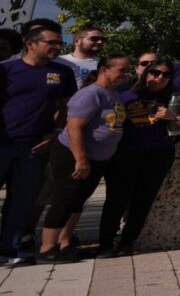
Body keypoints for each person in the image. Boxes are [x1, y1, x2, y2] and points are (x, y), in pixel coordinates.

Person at [98, 55, 180, 256]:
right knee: (116, 199)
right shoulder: (126, 95)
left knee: (143, 200)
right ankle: (105, 244)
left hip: (158, 154)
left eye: (166, 75)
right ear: (146, 73)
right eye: (155, 73)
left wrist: (174, 116)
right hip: (125, 153)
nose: (160, 78)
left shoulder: (173, 98)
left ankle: (127, 242)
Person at [37, 55, 130, 262]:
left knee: (78, 200)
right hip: (73, 154)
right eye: (122, 70)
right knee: (65, 199)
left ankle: (64, 243)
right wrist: (81, 159)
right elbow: (74, 126)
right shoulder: (91, 93)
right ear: (104, 70)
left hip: (97, 159)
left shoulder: (113, 94)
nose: (126, 75)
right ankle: (47, 248)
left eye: (127, 70)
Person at [0, 24, 77, 264]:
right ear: (30, 44)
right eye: (51, 42)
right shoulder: (6, 70)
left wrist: (55, 132)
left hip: (35, 147)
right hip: (3, 142)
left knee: (21, 200)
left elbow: (66, 105)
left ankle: (10, 249)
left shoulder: (63, 73)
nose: (57, 47)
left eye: (59, 43)